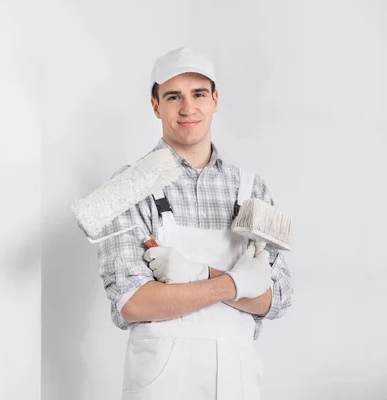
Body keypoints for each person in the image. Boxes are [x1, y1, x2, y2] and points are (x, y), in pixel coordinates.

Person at [96, 47, 294, 400]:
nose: (188, 108)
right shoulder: (129, 187)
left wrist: (194, 273)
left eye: (198, 94)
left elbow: (275, 298)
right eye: (174, 97)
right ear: (156, 106)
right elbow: (133, 302)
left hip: (238, 379)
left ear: (215, 100)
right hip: (161, 382)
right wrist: (236, 283)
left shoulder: (251, 189)